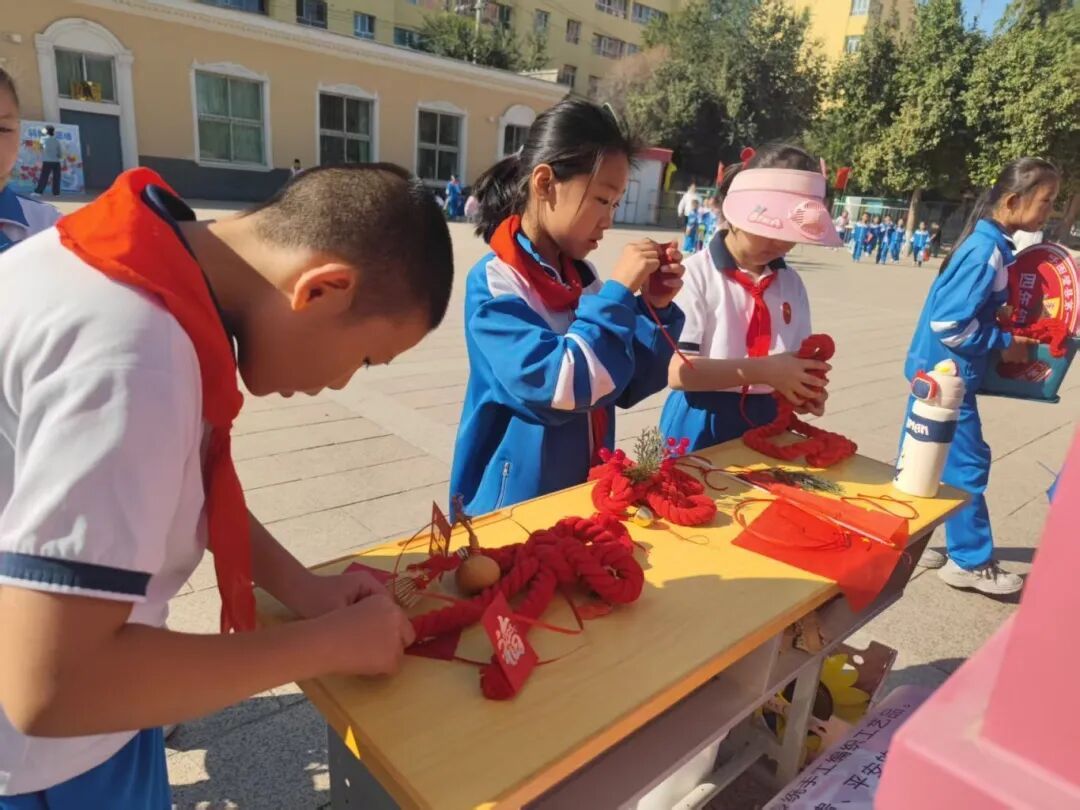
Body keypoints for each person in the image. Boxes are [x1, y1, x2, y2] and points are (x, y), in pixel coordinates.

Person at [0, 162, 454, 805]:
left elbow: (186, 478)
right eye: (364, 358)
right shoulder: (134, 357)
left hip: (113, 699)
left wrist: (304, 589)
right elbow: (54, 688)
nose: (341, 382)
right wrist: (324, 645)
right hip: (49, 762)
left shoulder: (147, 258)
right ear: (322, 290)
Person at [448, 98, 685, 517]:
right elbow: (560, 387)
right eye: (601, 200)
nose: (609, 220)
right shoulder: (496, 283)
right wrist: (618, 293)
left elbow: (625, 385)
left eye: (616, 204)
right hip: (512, 508)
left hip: (580, 495)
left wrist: (654, 310)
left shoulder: (582, 279)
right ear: (544, 184)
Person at [905, 157, 1060, 595]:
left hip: (933, 372)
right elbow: (949, 324)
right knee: (966, 464)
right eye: (1046, 201)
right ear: (1012, 202)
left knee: (921, 460)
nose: (1050, 211)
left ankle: (912, 539)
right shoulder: (985, 252)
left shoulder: (987, 245)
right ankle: (969, 561)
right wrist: (1003, 341)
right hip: (947, 379)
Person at [660, 144, 841, 450]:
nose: (780, 244)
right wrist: (767, 370)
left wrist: (801, 390)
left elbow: (794, 359)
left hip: (767, 416)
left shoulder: (791, 283)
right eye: (770, 230)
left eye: (791, 235)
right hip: (702, 416)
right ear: (737, 213)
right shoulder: (696, 275)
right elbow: (678, 372)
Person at [0, 69, 61, 253]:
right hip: (53, 161)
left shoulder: (49, 227)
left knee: (48, 177)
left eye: (2, 129)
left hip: (50, 162)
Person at [33, 124, 63, 198]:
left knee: (44, 177)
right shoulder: (56, 140)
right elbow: (60, 153)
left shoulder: (42, 139)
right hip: (56, 162)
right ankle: (56, 193)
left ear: (46, 131)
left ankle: (38, 192)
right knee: (56, 177)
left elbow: (40, 149)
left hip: (47, 161)